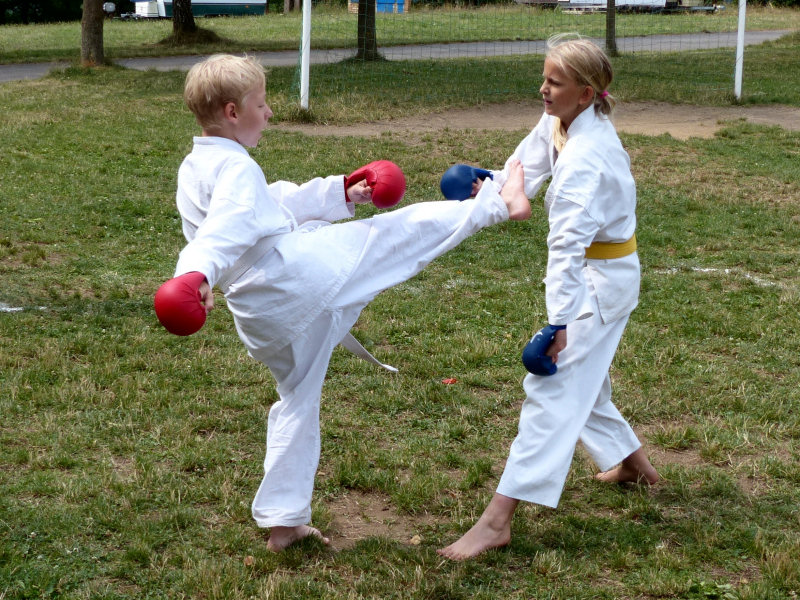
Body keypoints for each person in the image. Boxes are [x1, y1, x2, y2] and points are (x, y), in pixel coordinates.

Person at [167, 54, 532, 552]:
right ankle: (496, 203)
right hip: (291, 282)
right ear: (233, 112)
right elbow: (225, 229)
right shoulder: (233, 167)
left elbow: (268, 207)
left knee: (298, 400)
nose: (269, 113)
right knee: (390, 235)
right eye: (261, 104)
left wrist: (342, 191)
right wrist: (196, 273)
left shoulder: (197, 165)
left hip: (262, 316)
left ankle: (284, 522)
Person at [437, 34, 659, 561]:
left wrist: (558, 324)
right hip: (599, 273)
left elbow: (565, 250)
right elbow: (528, 164)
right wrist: (491, 186)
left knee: (552, 388)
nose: (543, 89)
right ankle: (636, 467)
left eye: (554, 83)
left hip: (600, 282)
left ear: (586, 93)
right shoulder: (562, 119)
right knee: (586, 380)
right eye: (544, 78)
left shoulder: (587, 158)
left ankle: (496, 522)